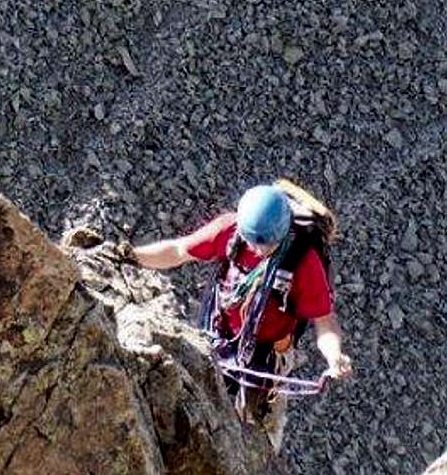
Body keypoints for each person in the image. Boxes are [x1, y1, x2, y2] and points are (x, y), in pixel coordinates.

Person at [130, 182, 353, 448]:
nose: (258, 251)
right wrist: (130, 256)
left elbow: (325, 323)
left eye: (266, 245)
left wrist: (334, 355)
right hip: (219, 336)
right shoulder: (231, 231)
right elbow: (178, 251)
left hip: (266, 358)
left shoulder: (303, 263)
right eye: (253, 242)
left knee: (257, 428)